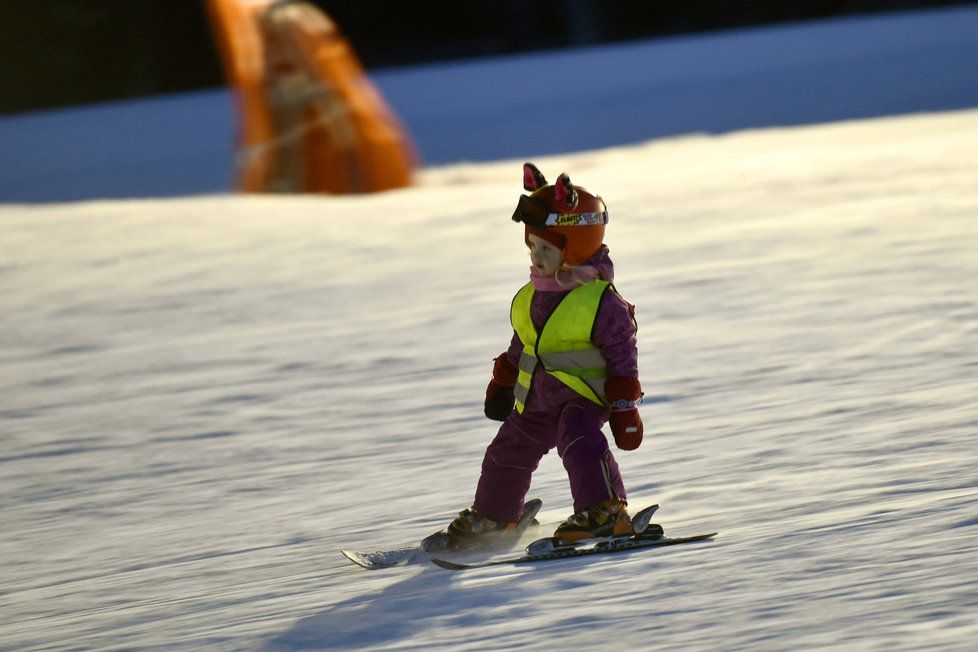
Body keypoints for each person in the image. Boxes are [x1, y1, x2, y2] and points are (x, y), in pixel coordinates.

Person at [443, 162, 645, 549]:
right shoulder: (531, 297)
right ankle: (494, 517)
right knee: (506, 451)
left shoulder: (603, 303)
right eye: (532, 246)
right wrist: (503, 381)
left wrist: (625, 408)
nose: (535, 256)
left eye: (546, 248)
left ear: (576, 247)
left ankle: (604, 510)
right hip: (535, 400)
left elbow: (622, 357)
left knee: (579, 440)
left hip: (583, 399)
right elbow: (524, 344)